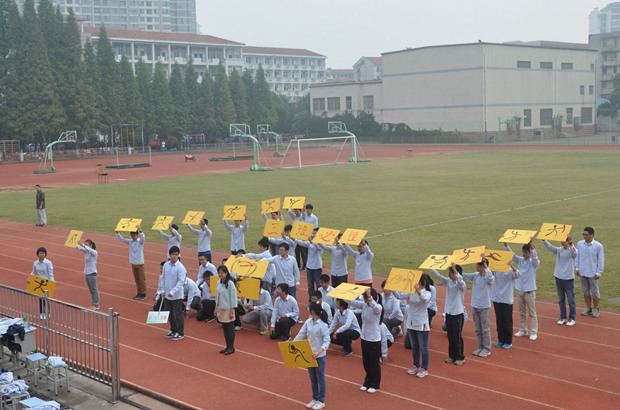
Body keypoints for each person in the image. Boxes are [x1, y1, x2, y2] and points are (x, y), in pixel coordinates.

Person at [294, 301, 330, 410]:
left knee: (320, 378)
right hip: (309, 355)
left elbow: (327, 342)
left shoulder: (323, 325)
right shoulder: (308, 322)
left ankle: (321, 400)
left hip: (319, 356)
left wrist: (318, 352)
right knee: (312, 378)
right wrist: (291, 344)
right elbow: (301, 334)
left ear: (313, 311)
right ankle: (315, 398)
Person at [431, 263, 466, 365]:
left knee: (457, 336)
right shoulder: (449, 282)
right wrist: (431, 268)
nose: (449, 274)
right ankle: (452, 355)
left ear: (455, 273)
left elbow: (460, 280)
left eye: (451, 272)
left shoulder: (461, 285)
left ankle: (460, 356)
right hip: (449, 313)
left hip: (458, 313)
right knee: (450, 335)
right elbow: (439, 276)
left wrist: (455, 270)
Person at [505, 239, 540, 341]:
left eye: (526, 252)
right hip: (520, 290)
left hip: (530, 291)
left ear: (529, 252)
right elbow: (511, 255)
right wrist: (506, 244)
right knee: (521, 311)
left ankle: (533, 332)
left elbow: (535, 258)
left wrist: (532, 247)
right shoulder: (520, 260)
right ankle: (523, 329)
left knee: (532, 312)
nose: (524, 253)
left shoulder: (534, 263)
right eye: (523, 251)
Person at [397, 273, 431, 377]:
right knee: (414, 346)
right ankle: (416, 365)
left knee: (423, 347)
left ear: (421, 282)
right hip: (411, 323)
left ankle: (424, 368)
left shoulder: (427, 293)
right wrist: (392, 288)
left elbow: (425, 299)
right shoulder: (411, 292)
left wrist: (418, 291)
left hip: (421, 323)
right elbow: (399, 296)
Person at [351, 287, 383, 393]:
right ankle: (367, 381)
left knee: (374, 363)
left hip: (373, 339)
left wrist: (370, 298)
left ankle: (375, 383)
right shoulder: (364, 305)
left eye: (365, 297)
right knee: (366, 362)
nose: (364, 299)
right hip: (364, 338)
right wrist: (345, 294)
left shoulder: (377, 307)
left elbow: (376, 308)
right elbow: (353, 302)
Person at [462, 257, 494, 357]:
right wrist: (455, 267)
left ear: (482, 266)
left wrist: (486, 266)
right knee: (478, 329)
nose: (476, 266)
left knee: (485, 329)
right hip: (475, 305)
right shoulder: (476, 275)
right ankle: (480, 347)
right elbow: (464, 275)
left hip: (484, 306)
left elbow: (490, 278)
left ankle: (487, 348)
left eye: (478, 265)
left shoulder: (489, 277)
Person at [542, 234, 578, 325]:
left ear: (567, 241)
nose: (560, 241)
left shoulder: (572, 250)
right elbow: (550, 247)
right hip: (558, 277)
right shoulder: (559, 250)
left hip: (568, 278)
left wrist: (570, 243)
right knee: (561, 299)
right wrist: (544, 240)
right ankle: (563, 317)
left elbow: (575, 253)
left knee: (571, 299)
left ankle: (572, 318)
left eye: (562, 240)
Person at [157, 246, 186, 341]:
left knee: (178, 314)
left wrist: (173, 291)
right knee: (168, 313)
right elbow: (163, 277)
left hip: (177, 296)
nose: (175, 256)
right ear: (170, 255)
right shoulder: (166, 265)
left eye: (176, 254)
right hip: (166, 295)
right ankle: (173, 330)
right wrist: (162, 290)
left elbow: (181, 282)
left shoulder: (181, 268)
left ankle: (180, 332)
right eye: (173, 254)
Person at [575, 227, 605, 318]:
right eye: (583, 234)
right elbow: (577, 256)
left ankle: (596, 309)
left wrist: (599, 272)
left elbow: (600, 260)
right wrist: (577, 268)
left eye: (586, 235)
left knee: (595, 292)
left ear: (591, 235)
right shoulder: (580, 244)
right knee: (585, 292)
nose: (584, 236)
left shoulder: (598, 246)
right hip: (582, 272)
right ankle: (588, 308)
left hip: (593, 273)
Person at [491, 262, 520, 349]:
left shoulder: (510, 271)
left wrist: (512, 266)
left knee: (507, 321)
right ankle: (501, 339)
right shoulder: (496, 270)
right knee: (499, 320)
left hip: (507, 300)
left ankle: (508, 341)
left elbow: (518, 275)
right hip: (497, 298)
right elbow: (488, 272)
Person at [117, 226, 147, 300]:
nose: (133, 237)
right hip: (133, 263)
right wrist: (117, 233)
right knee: (137, 279)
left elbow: (143, 237)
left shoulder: (140, 242)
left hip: (140, 263)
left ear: (137, 235)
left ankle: (143, 294)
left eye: (134, 235)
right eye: (132, 235)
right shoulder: (130, 242)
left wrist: (140, 229)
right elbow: (122, 239)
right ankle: (139, 292)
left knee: (141, 279)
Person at [214, 265, 238, 354]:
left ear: (226, 273)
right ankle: (227, 346)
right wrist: (216, 307)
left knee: (230, 327)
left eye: (222, 273)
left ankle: (231, 347)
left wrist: (232, 310)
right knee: (224, 327)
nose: (220, 275)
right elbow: (217, 296)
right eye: (219, 273)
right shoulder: (218, 282)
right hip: (220, 308)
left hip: (228, 309)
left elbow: (233, 297)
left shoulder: (230, 283)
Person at [296, 229, 324, 303]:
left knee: (319, 286)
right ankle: (311, 301)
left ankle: (319, 301)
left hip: (317, 267)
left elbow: (318, 247)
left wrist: (311, 241)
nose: (312, 235)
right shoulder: (309, 243)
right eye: (312, 233)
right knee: (310, 286)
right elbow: (302, 243)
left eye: (314, 233)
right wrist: (294, 239)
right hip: (309, 267)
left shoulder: (320, 243)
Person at [76, 239, 100, 311]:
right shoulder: (86, 252)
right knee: (91, 290)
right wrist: (73, 242)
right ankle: (93, 304)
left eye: (87, 244)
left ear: (91, 245)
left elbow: (88, 249)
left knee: (94, 289)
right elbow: (78, 247)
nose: (85, 245)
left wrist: (83, 245)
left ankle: (96, 305)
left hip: (92, 273)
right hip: (87, 273)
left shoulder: (94, 252)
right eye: (85, 244)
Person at [32, 246, 54, 319]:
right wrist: (30, 278)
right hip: (39, 282)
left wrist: (52, 283)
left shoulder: (48, 263)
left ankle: (47, 312)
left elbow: (51, 273)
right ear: (37, 254)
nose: (42, 255)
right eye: (40, 253)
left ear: (45, 254)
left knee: (46, 298)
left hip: (46, 282)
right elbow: (33, 272)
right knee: (40, 298)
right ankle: (41, 313)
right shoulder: (35, 263)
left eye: (43, 253)